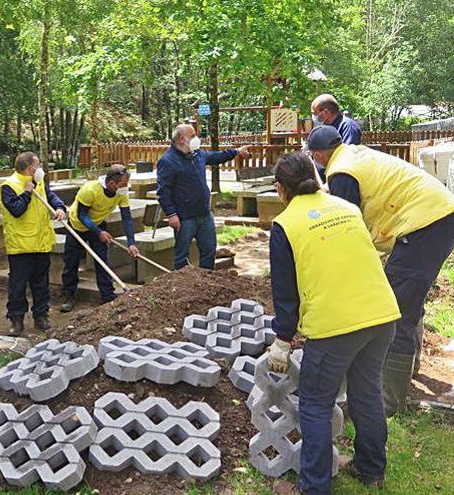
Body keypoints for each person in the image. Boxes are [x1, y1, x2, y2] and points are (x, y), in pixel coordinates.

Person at [266, 152, 401, 495]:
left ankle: (312, 488)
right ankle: (371, 470)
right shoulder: (348, 208)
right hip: (382, 314)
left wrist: (283, 339)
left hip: (335, 326)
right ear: (314, 174)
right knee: (366, 392)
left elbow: (285, 292)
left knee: (314, 402)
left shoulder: (285, 224)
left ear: (280, 188)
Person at [307, 125, 454, 416]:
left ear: (317, 154)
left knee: (396, 309)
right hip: (441, 217)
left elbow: (346, 227)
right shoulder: (354, 155)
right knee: (408, 298)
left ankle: (389, 402)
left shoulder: (341, 172)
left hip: (424, 224)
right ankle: (408, 371)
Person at [156, 124, 249, 270]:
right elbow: (163, 191)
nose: (196, 139)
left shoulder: (197, 154)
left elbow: (216, 156)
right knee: (182, 255)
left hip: (204, 214)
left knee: (209, 250)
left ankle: (206, 282)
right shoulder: (168, 161)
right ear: (181, 139)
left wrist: (236, 152)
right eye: (192, 136)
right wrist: (171, 214)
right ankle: (182, 287)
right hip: (184, 217)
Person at [0, 152, 67, 335]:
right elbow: (16, 210)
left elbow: (50, 196)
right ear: (30, 168)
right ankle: (16, 319)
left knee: (41, 284)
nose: (41, 168)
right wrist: (27, 192)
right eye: (38, 165)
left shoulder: (40, 182)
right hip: (21, 246)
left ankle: (41, 316)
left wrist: (59, 207)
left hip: (41, 242)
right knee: (18, 285)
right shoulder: (9, 186)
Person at [59, 165, 139, 311]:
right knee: (71, 262)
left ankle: (107, 295)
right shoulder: (90, 190)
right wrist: (98, 232)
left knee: (102, 260)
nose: (125, 187)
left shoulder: (121, 193)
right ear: (111, 184)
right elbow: (81, 215)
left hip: (97, 224)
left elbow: (127, 218)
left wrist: (131, 243)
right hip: (77, 225)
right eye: (123, 184)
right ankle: (68, 295)